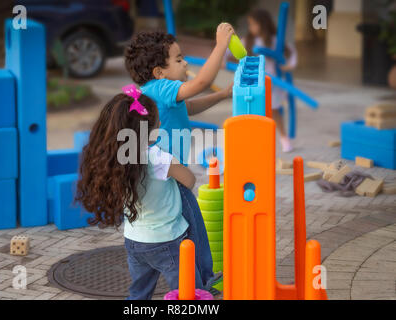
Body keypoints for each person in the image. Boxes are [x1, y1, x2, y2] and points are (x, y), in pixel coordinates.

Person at [75, 86, 214, 299]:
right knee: (190, 293)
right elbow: (190, 180)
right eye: (157, 119)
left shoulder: (116, 160)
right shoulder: (158, 158)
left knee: (139, 293)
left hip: (134, 241)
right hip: (168, 241)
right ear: (152, 128)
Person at [124, 23, 234, 289]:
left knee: (193, 227)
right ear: (159, 72)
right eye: (179, 59)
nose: (185, 63)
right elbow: (201, 82)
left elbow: (189, 106)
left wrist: (222, 95)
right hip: (170, 176)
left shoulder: (161, 93)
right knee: (193, 228)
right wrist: (221, 45)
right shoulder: (158, 88)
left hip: (165, 174)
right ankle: (200, 285)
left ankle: (200, 280)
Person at [224, 9, 298, 152]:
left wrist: (289, 65)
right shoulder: (248, 41)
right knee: (252, 112)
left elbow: (291, 52)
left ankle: (284, 138)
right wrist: (223, 59)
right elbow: (229, 51)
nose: (251, 28)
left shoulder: (275, 40)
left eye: (254, 24)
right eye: (250, 24)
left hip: (272, 83)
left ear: (263, 24)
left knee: (274, 110)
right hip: (253, 83)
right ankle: (254, 142)